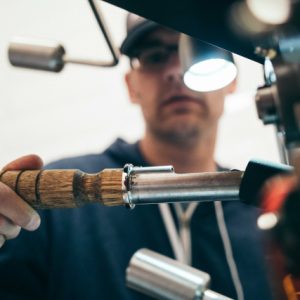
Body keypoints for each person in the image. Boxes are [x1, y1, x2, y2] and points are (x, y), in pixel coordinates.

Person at [0, 13, 273, 300]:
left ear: (231, 79)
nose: (176, 70)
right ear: (132, 86)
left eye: (197, 52)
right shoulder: (56, 204)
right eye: (155, 56)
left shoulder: (265, 215)